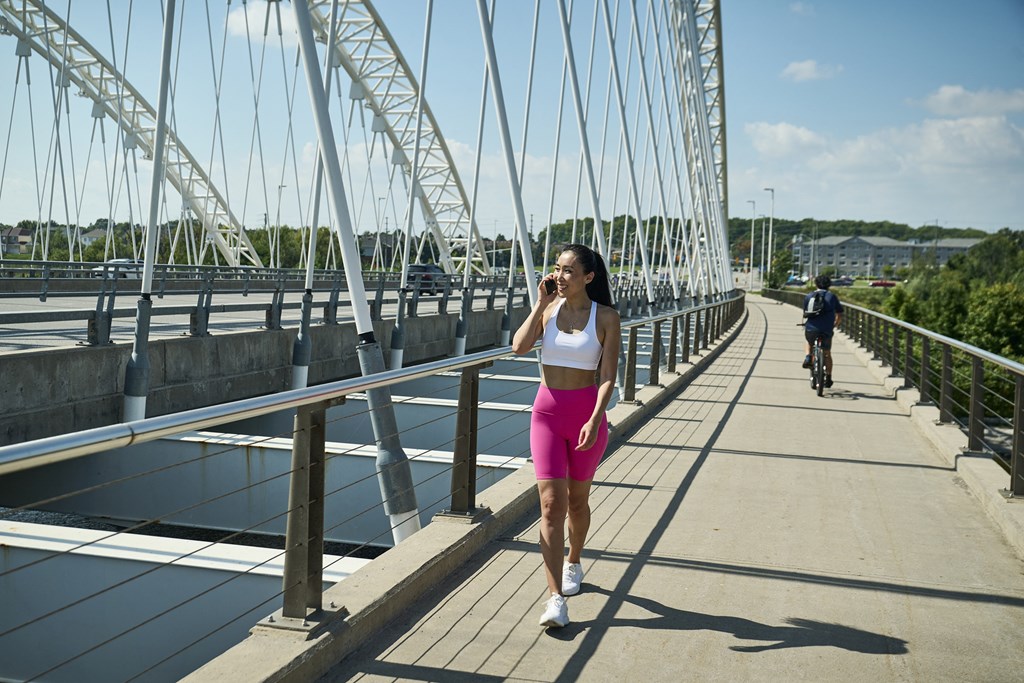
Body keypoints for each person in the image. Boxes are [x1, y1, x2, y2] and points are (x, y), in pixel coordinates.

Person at [512, 243, 621, 628]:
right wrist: (539, 305)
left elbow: (607, 375)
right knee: (550, 505)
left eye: (569, 270)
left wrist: (596, 418)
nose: (559, 276)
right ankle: (555, 598)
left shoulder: (606, 317)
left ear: (588, 277)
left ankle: (574, 560)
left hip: (586, 418)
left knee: (577, 501)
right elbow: (519, 346)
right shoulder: (549, 310)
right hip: (546, 415)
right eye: (557, 268)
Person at [802, 274, 843, 387]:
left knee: (809, 341)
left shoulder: (809, 296)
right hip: (826, 329)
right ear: (829, 285)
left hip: (811, 328)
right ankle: (828, 377)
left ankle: (808, 357)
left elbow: (805, 312)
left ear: (816, 284)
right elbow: (839, 313)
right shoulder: (832, 297)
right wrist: (835, 324)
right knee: (827, 353)